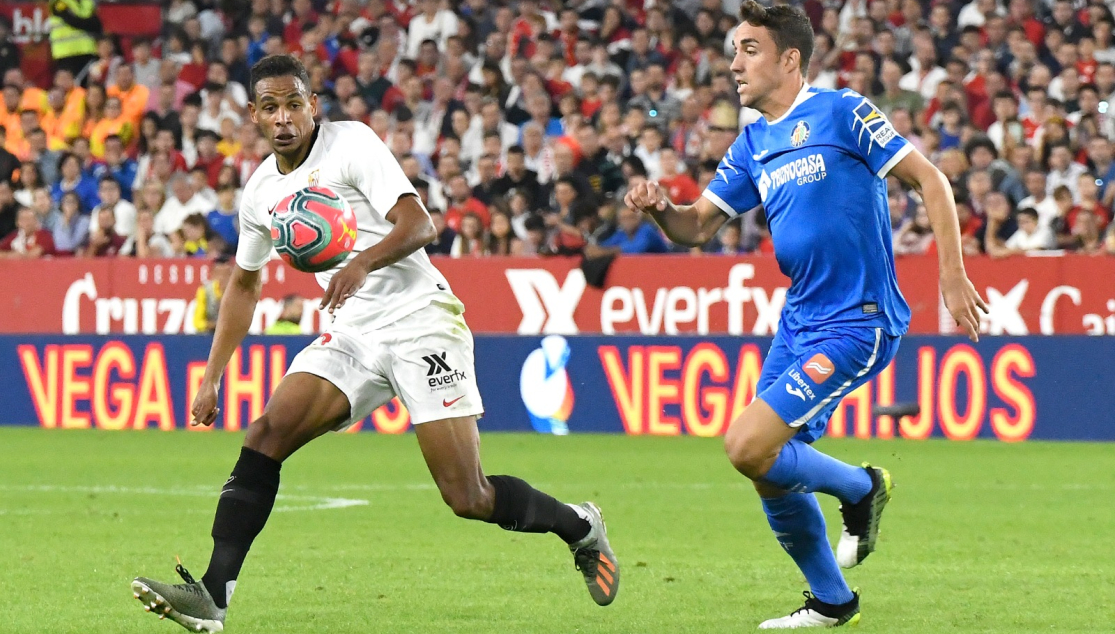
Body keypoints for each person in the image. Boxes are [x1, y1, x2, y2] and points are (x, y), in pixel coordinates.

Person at [131, 55, 619, 634]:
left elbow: (420, 226)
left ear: (313, 105)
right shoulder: (261, 190)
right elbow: (243, 283)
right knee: (265, 434)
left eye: (293, 103)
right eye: (270, 107)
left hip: (420, 320)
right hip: (351, 330)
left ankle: (580, 527)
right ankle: (214, 595)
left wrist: (361, 262)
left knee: (467, 495)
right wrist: (213, 375)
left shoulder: (351, 144)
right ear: (254, 117)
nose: (284, 117)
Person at [624, 3, 987, 628]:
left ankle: (861, 488)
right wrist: (661, 210)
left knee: (746, 446)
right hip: (800, 322)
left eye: (750, 50)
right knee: (767, 468)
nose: (734, 63)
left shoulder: (843, 113)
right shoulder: (752, 142)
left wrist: (951, 275)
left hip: (859, 319)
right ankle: (832, 600)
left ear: (789, 60)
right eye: (734, 50)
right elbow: (697, 227)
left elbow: (931, 181)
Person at [193, 254, 231, 333]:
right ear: (213, 274)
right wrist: (214, 325)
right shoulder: (205, 291)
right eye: (220, 274)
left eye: (227, 274)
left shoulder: (238, 292)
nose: (222, 278)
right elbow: (198, 322)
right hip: (210, 334)